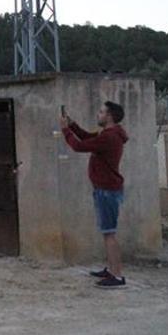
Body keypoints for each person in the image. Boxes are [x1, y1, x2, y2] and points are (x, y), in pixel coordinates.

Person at [60, 101, 129, 289]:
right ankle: (111, 269)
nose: (98, 115)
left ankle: (117, 275)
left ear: (109, 116)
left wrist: (65, 130)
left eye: (101, 112)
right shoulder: (108, 135)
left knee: (109, 234)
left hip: (107, 191)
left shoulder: (109, 137)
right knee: (107, 233)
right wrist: (72, 125)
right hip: (105, 189)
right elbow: (86, 137)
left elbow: (79, 146)